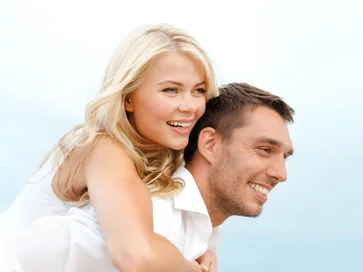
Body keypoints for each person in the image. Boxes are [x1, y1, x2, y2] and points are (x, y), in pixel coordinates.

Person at [0, 23, 221, 271]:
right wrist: (192, 267)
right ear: (128, 98)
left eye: (198, 91)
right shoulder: (104, 147)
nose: (190, 106)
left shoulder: (164, 156)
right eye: (171, 90)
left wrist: (206, 247)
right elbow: (134, 255)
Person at [11, 82, 295, 272]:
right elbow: (36, 248)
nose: (280, 174)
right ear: (209, 145)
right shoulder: (152, 217)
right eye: (264, 149)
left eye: (283, 157)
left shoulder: (196, 223)